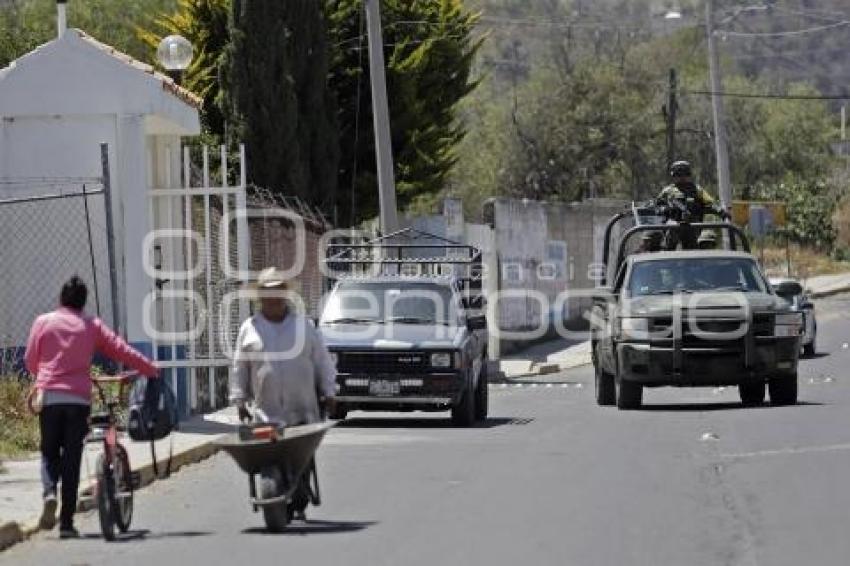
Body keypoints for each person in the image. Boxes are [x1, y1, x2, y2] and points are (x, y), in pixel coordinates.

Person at [24, 276, 159, 539]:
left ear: (61, 299)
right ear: (83, 302)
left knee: (49, 452)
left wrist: (45, 374)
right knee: (72, 459)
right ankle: (66, 524)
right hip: (78, 401)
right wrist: (149, 368)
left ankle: (50, 492)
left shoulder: (43, 322)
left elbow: (31, 362)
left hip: (49, 398)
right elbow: (121, 349)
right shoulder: (91, 324)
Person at [229, 267, 337, 519]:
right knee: (269, 452)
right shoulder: (250, 328)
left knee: (301, 455)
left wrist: (329, 392)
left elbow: (322, 361)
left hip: (303, 410)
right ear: (260, 297)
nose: (273, 298)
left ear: (285, 295)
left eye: (278, 292)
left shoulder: (304, 327)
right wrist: (239, 398)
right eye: (267, 292)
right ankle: (277, 492)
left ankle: (299, 492)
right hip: (266, 413)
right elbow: (240, 366)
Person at [655, 161, 729, 249]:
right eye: (679, 175)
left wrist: (721, 211)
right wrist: (666, 209)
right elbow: (656, 206)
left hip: (693, 224)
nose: (682, 177)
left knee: (692, 246)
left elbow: (711, 203)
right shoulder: (667, 191)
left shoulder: (697, 190)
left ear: (689, 175)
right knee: (672, 230)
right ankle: (669, 253)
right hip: (673, 223)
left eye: (685, 174)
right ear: (674, 175)